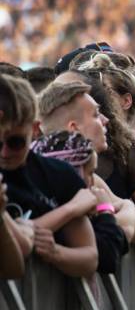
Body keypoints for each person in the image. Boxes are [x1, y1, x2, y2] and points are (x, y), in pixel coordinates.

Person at [48, 74, 135, 243]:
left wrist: (112, 213)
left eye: (100, 111)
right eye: (94, 114)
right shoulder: (43, 170)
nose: (105, 120)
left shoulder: (120, 156)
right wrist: (116, 212)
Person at [0, 75, 98, 277]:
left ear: (34, 130)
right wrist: (69, 210)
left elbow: (90, 257)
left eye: (15, 142)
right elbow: (22, 245)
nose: (4, 152)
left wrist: (56, 253)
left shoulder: (58, 174)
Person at [32, 131, 131, 274]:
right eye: (90, 173)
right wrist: (106, 210)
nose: (92, 182)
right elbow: (109, 252)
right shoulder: (58, 206)